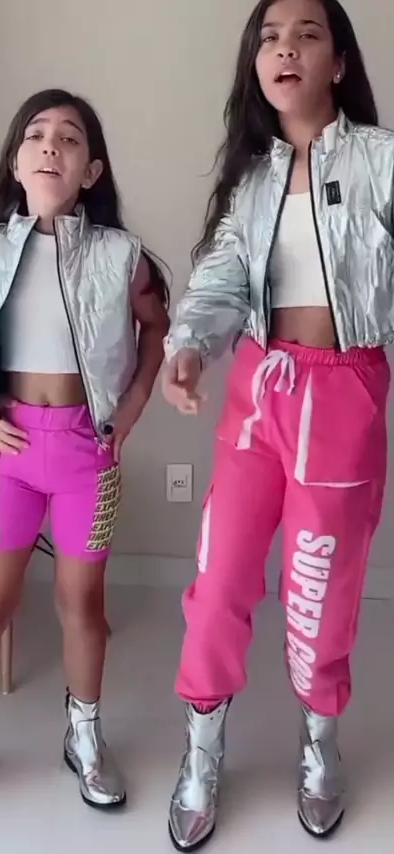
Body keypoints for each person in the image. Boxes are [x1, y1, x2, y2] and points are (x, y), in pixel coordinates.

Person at [162, 0, 394, 848]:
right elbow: (222, 275)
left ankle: (319, 741)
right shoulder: (253, 178)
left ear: (339, 63)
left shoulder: (382, 160)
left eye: (307, 34)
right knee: (219, 577)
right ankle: (202, 747)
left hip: (346, 393)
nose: (286, 48)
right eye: (270, 37)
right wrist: (189, 345)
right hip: (261, 389)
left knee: (320, 587)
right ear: (256, 65)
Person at [0, 88, 169, 827]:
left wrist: (131, 409)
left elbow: (157, 329)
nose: (51, 145)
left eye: (70, 137)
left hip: (90, 458)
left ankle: (83, 735)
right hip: (10, 458)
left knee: (82, 605)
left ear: (91, 171)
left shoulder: (120, 255)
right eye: (36, 134)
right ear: (16, 161)